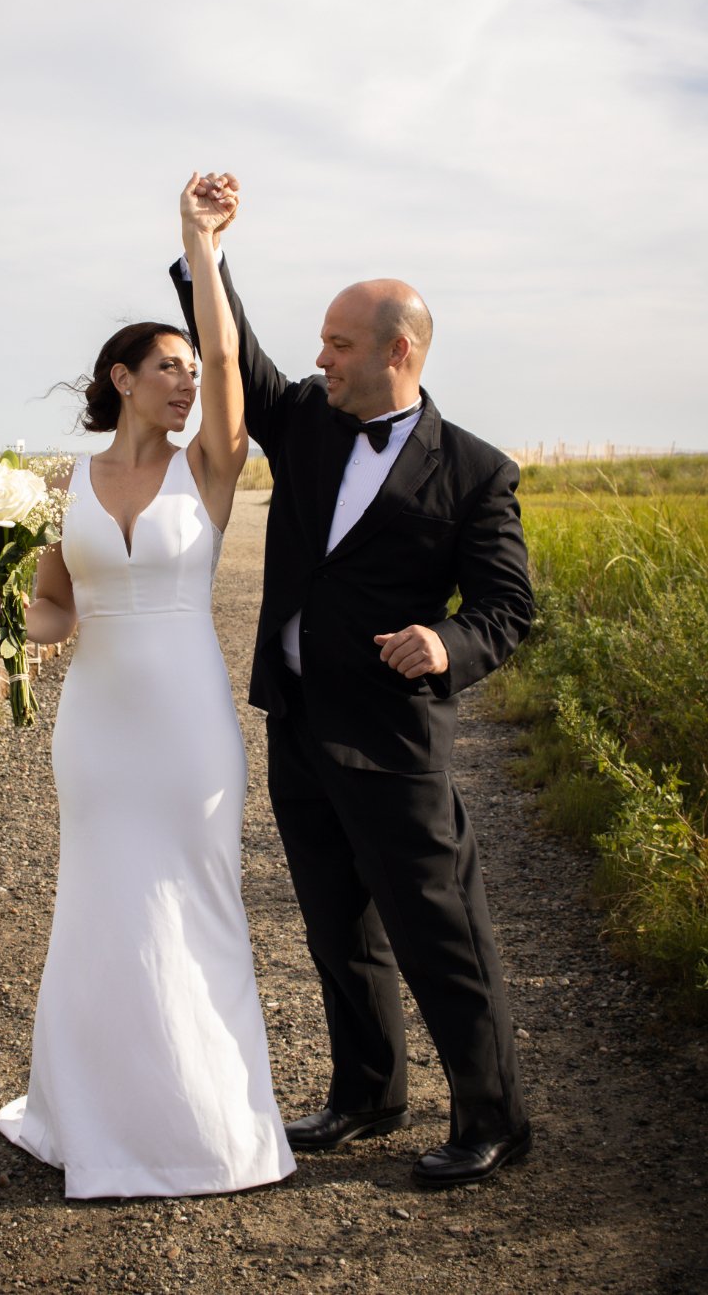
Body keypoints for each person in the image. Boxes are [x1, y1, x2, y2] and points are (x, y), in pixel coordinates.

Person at [170, 174, 534, 1188]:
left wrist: (445, 644)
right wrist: (201, 245)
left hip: (394, 739)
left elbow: (507, 609)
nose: (319, 356)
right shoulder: (307, 421)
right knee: (336, 927)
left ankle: (495, 1117)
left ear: (397, 351)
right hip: (296, 723)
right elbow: (230, 344)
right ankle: (365, 1093)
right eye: (320, 343)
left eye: (337, 343)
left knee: (438, 931)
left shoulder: (474, 472)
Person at [0, 173, 295, 1199]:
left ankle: (209, 1129)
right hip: (98, 729)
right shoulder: (63, 485)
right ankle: (95, 1117)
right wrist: (1, 618)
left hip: (186, 720)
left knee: (195, 902)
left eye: (193, 370)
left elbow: (232, 358)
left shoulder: (209, 465)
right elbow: (60, 613)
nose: (187, 382)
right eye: (167, 367)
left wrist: (198, 245)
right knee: (102, 911)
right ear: (120, 377)